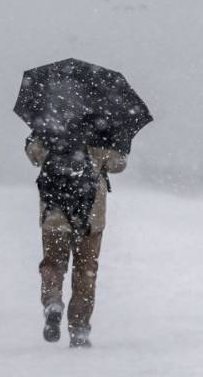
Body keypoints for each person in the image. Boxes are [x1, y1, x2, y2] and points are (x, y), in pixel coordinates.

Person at [26, 131, 127, 348]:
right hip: (90, 215)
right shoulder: (101, 129)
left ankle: (53, 301)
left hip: (54, 213)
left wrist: (34, 138)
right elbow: (118, 164)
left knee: (53, 263)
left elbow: (34, 155)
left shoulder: (49, 124)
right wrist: (118, 143)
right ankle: (79, 328)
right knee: (85, 270)